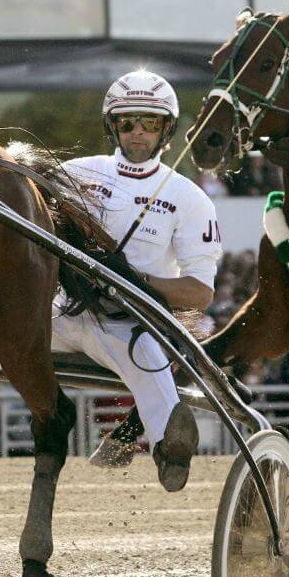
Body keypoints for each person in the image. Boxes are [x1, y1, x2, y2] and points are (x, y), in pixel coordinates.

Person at [51, 71, 223, 492]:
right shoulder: (72, 173)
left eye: (150, 122)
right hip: (60, 314)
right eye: (127, 122)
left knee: (147, 357)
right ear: (112, 126)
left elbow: (200, 294)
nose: (138, 132)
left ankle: (169, 447)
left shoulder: (190, 198)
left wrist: (140, 280)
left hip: (127, 324)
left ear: (167, 129)